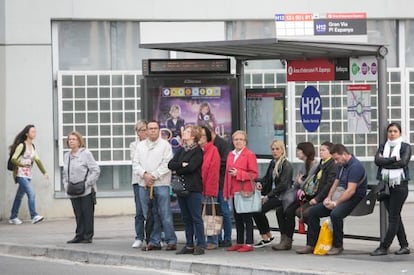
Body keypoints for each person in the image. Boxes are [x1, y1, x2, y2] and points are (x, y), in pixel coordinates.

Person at [296, 144, 367, 255]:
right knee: (313, 212)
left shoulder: (355, 166)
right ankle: (311, 244)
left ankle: (337, 245)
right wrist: (328, 197)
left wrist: (335, 203)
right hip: (339, 194)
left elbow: (350, 191)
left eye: (337, 159)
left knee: (336, 214)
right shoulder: (341, 165)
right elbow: (335, 182)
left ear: (344, 154)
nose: (336, 162)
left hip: (353, 197)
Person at [133, 120, 177, 251]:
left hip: (161, 184)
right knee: (150, 214)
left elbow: (167, 164)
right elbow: (135, 164)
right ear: (146, 130)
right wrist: (145, 175)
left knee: (165, 213)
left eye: (155, 128)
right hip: (144, 184)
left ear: (159, 130)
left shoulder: (165, 146)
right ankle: (154, 240)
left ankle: (171, 240)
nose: (152, 130)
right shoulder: (140, 146)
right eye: (150, 128)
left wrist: (154, 176)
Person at [370, 122, 411, 256]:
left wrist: (386, 162)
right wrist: (393, 159)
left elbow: (403, 162)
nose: (392, 134)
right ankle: (404, 245)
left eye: (395, 131)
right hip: (386, 186)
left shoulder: (405, 147)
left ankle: (384, 247)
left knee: (393, 218)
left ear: (400, 133)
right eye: (390, 131)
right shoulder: (383, 146)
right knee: (395, 216)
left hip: (399, 186)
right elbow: (377, 161)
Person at [272, 141, 318, 250]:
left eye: (299, 151)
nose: (297, 153)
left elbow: (307, 184)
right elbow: (298, 182)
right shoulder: (303, 165)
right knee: (279, 210)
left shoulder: (314, 165)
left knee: (289, 211)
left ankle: (288, 240)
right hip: (300, 195)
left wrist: (300, 182)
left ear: (305, 152)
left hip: (308, 197)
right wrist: (300, 182)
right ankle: (284, 239)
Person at [168, 125, 205, 255]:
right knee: (186, 218)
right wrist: (181, 165)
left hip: (193, 188)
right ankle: (189, 244)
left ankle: (200, 244)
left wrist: (179, 168)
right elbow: (170, 164)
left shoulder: (198, 151)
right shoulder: (182, 150)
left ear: (194, 136)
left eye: (188, 132)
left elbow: (192, 168)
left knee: (196, 217)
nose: (185, 133)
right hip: (181, 188)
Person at [253, 140, 293, 248]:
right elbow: (267, 179)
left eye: (277, 149)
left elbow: (283, 185)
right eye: (273, 149)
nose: (275, 151)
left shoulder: (286, 165)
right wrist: (259, 182)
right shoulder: (273, 163)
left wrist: (268, 196)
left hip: (282, 197)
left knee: (259, 210)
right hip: (272, 194)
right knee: (256, 210)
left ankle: (267, 236)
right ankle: (267, 235)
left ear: (282, 150)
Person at [224, 130, 259, 253]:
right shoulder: (230, 155)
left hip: (245, 191)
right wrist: (226, 192)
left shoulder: (249, 155)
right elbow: (227, 175)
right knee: (237, 217)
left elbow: (254, 174)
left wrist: (239, 173)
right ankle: (239, 242)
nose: (238, 142)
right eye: (236, 139)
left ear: (245, 141)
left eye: (241, 139)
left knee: (247, 217)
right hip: (234, 191)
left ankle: (249, 243)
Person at [64, 131, 100, 243]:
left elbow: (95, 170)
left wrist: (87, 183)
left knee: (87, 213)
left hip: (86, 189)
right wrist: (66, 184)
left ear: (79, 141)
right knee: (78, 213)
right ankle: (79, 235)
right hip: (73, 189)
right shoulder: (67, 156)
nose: (71, 141)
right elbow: (65, 172)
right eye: (70, 139)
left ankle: (88, 236)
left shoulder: (86, 154)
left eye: (74, 139)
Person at [9, 124, 49, 225]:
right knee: (31, 193)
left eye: (35, 132)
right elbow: (13, 159)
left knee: (19, 196)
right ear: (27, 133)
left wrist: (44, 172)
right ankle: (34, 215)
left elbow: (37, 160)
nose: (34, 133)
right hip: (20, 174)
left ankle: (13, 216)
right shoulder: (22, 145)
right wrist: (22, 164)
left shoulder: (32, 146)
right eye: (32, 132)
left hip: (28, 175)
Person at [295, 141, 338, 223]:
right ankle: (316, 232)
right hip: (314, 195)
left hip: (325, 198)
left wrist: (317, 199)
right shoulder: (321, 164)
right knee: (298, 212)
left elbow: (329, 185)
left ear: (330, 152)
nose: (320, 152)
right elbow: (313, 180)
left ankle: (315, 233)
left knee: (310, 213)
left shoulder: (332, 165)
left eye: (323, 150)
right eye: (320, 150)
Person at [209, 126, 232, 248]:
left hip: (221, 182)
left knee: (224, 210)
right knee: (214, 211)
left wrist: (212, 165)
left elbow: (225, 161)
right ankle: (217, 237)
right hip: (211, 182)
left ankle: (227, 237)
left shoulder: (223, 143)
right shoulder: (206, 144)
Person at [198, 126, 221, 250]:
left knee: (210, 214)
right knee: (198, 215)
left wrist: (209, 190)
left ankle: (213, 240)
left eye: (203, 135)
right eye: (199, 135)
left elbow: (213, 172)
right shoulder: (196, 150)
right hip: (196, 188)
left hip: (208, 187)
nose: (200, 138)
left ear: (207, 137)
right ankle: (200, 238)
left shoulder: (213, 150)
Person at [130, 120, 148, 249]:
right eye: (141, 130)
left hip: (153, 180)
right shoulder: (134, 145)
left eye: (145, 129)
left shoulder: (154, 144)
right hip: (138, 180)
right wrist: (145, 173)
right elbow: (136, 161)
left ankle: (156, 236)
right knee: (140, 210)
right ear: (137, 132)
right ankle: (139, 237)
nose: (144, 132)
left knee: (153, 210)